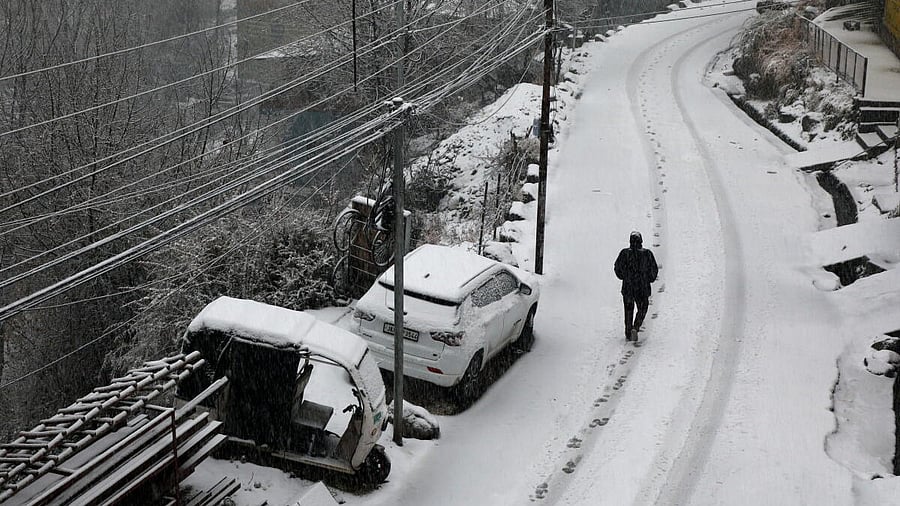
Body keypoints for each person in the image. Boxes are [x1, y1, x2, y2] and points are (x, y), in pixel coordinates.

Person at [614, 231, 659, 342]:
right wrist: (648, 279)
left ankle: (628, 332)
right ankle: (636, 326)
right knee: (643, 307)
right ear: (641, 241)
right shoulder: (647, 254)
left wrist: (624, 277)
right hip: (642, 287)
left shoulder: (624, 254)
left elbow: (617, 268)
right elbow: (654, 270)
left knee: (628, 310)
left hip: (628, 287)